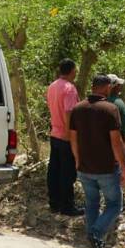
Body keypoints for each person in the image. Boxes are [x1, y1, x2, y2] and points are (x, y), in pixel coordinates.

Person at [69, 74, 125, 248]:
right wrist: (124, 168)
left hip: (84, 167)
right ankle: (96, 234)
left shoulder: (78, 109)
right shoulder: (110, 109)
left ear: (93, 87)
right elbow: (116, 142)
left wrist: (77, 160)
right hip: (106, 168)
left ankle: (94, 243)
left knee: (91, 203)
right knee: (114, 205)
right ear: (107, 87)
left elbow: (73, 138)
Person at [46, 59, 82, 216]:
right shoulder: (69, 89)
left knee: (54, 170)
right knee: (67, 173)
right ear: (72, 71)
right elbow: (69, 112)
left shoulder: (52, 86)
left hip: (54, 133)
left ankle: (54, 203)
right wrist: (70, 135)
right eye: (75, 70)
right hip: (65, 136)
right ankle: (67, 206)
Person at [106, 74, 125, 184]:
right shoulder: (120, 104)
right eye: (118, 85)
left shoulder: (99, 101)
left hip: (100, 147)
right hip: (117, 146)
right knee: (119, 179)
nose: (120, 87)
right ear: (114, 87)